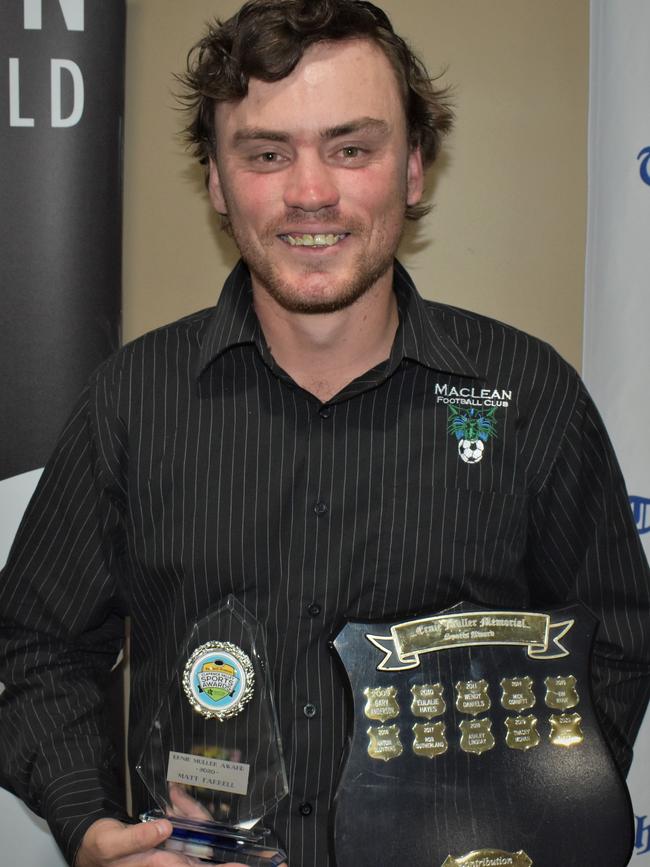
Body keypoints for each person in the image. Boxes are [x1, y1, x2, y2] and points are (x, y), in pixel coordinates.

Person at [1, 1, 649, 865]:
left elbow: (615, 640)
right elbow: (34, 646)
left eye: (352, 148)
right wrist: (88, 824)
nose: (311, 191)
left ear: (414, 168)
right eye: (267, 154)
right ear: (219, 183)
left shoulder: (530, 397)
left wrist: (528, 817)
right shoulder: (131, 402)